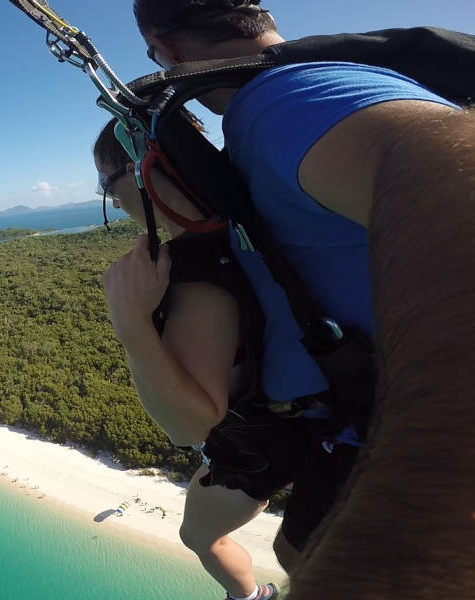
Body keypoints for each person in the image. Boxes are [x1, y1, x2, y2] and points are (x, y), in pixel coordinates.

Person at [131, 1, 475, 597]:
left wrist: (425, 499)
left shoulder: (283, 100)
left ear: (164, 50)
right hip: (344, 429)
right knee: (296, 549)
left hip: (392, 448)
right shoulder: (279, 109)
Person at [96, 117, 359, 600]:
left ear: (140, 175)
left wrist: (131, 324)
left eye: (107, 184)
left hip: (261, 444)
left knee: (201, 535)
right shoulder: (260, 215)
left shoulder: (194, 268)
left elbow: (190, 424)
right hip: (335, 406)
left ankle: (251, 598)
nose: (112, 201)